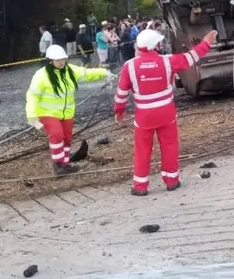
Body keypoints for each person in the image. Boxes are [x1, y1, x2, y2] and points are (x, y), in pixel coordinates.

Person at [114, 29, 217, 196]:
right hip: (166, 114)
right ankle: (172, 181)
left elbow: (121, 93)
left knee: (142, 150)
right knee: (169, 146)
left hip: (144, 117)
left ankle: (140, 186)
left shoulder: (129, 66)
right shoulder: (168, 61)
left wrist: (119, 112)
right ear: (155, 45)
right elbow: (191, 57)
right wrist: (206, 42)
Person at [26, 45, 112, 175]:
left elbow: (87, 73)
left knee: (66, 138)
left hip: (67, 112)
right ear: (50, 60)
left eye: (62, 59)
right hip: (47, 112)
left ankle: (65, 164)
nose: (60, 62)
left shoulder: (70, 70)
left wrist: (104, 73)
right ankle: (58, 164)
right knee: (56, 134)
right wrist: (32, 116)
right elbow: (32, 95)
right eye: (57, 60)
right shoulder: (41, 75)